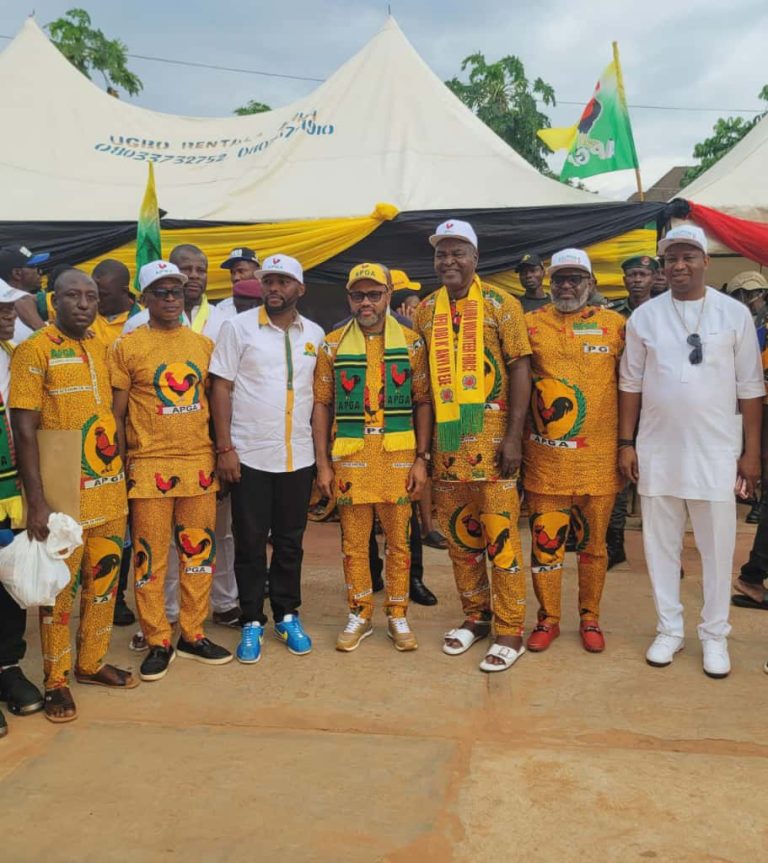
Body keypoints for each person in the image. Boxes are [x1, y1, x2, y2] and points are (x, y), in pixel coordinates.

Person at [619, 225, 764, 678]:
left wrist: (751, 453)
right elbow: (630, 384)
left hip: (716, 451)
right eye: (671, 259)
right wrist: (627, 443)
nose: (679, 266)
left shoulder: (732, 315)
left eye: (688, 257)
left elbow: (750, 388)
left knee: (717, 548)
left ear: (704, 260)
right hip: (657, 449)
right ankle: (670, 629)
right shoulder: (645, 317)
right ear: (663, 266)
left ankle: (714, 634)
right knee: (660, 545)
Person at [10, 268, 136, 724]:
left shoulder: (104, 347)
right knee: (60, 590)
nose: (84, 304)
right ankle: (56, 679)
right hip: (61, 474)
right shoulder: (33, 351)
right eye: (72, 296)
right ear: (52, 301)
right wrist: (36, 499)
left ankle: (90, 663)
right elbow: (23, 427)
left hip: (108, 479)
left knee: (104, 583)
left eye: (90, 297)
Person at [413, 220, 532, 673]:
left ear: (476, 258)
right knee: (462, 539)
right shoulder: (425, 310)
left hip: (494, 439)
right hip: (446, 444)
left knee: (500, 539)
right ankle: (477, 616)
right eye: (441, 253)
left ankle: (510, 628)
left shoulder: (503, 305)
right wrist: (424, 452)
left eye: (458, 252)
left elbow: (520, 368)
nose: (448, 261)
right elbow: (423, 388)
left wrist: (514, 436)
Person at [110, 260, 232, 682]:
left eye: (176, 292)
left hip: (198, 465)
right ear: (144, 300)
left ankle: (193, 633)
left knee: (199, 555)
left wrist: (221, 452)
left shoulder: (201, 345)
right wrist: (119, 467)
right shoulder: (127, 347)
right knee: (149, 560)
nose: (170, 299)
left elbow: (214, 405)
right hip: (148, 468)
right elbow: (116, 415)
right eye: (160, 293)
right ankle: (158, 637)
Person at [210, 254, 323, 664]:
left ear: (300, 289)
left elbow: (319, 397)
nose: (274, 288)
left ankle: (287, 614)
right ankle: (252, 619)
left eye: (283, 282)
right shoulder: (238, 328)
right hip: (250, 454)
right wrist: (225, 448)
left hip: (298, 454)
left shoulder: (315, 334)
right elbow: (220, 387)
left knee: (291, 543)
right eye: (268, 282)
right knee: (251, 543)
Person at [313, 263, 433, 650]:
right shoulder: (331, 344)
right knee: (354, 542)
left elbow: (423, 402)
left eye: (373, 294)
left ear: (388, 296)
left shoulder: (412, 343)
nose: (365, 302)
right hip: (350, 455)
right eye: (358, 295)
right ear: (349, 298)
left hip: (398, 455)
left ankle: (397, 615)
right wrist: (323, 464)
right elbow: (321, 405)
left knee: (400, 541)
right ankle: (359, 613)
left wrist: (422, 459)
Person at [523, 249, 625, 653]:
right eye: (560, 279)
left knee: (593, 547)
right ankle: (547, 618)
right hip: (545, 462)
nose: (567, 286)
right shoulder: (531, 325)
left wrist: (628, 445)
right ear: (549, 283)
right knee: (546, 546)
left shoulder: (616, 326)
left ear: (591, 284)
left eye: (576, 279)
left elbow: (632, 386)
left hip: (598, 462)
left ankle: (590, 617)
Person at [0, 279, 44, 737]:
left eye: (10, 307)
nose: (8, 315)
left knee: (9, 577)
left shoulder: (15, 351)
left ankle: (7, 666)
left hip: (10, 488)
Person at [605, 254, 659, 568]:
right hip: (619, 405)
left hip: (658, 407)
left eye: (642, 274)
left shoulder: (668, 312)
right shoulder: (611, 314)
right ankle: (615, 544)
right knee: (619, 478)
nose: (636, 280)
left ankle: (666, 553)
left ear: (654, 278)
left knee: (659, 483)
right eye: (631, 275)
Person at [725, 271, 768, 524]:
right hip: (746, 399)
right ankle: (750, 495)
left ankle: (759, 503)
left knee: (761, 453)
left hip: (761, 398)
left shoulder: (761, 323)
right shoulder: (746, 320)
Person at [122, 244, 224, 341]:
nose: (194, 275)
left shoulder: (222, 319)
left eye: (201, 270)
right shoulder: (138, 322)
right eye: (186, 269)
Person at [0, 245, 50, 342]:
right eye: (34, 266)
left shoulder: (35, 302)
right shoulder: (8, 323)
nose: (40, 271)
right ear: (17, 273)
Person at [91, 259, 143, 346]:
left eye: (104, 295)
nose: (97, 300)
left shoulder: (144, 322)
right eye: (93, 294)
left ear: (124, 291)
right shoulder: (82, 316)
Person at [218, 247, 261, 320]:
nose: (236, 278)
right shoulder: (222, 307)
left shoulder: (271, 302)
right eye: (232, 272)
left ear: (257, 272)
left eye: (241, 271)